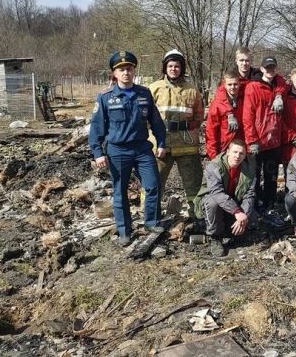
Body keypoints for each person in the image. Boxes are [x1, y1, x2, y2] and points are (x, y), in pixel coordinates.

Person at [89, 51, 167, 246]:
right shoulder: (105, 98)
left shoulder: (144, 93)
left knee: (152, 186)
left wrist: (162, 143)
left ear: (134, 71)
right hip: (118, 151)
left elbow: (156, 122)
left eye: (129, 69)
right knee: (120, 191)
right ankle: (125, 231)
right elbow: (97, 128)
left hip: (142, 149)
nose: (126, 73)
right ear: (114, 73)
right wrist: (98, 153)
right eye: (121, 69)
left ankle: (151, 222)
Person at [149, 49, 205, 221]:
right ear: (165, 68)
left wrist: (190, 127)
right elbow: (145, 116)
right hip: (160, 145)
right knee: (153, 182)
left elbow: (199, 114)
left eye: (177, 66)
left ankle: (197, 217)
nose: (174, 69)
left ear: (182, 68)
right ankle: (151, 217)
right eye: (171, 66)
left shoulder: (192, 90)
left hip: (187, 144)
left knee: (193, 184)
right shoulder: (154, 88)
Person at [193, 139, 256, 257]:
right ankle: (215, 237)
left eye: (241, 153)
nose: (237, 156)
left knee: (252, 214)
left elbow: (249, 194)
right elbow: (217, 193)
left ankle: (233, 231)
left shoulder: (249, 168)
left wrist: (243, 216)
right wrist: (237, 212)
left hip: (233, 203)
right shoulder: (214, 166)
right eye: (235, 152)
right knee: (213, 203)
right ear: (227, 152)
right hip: (211, 202)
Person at [242, 56, 285, 211]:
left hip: (274, 142)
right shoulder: (253, 87)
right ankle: (252, 208)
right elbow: (247, 116)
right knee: (253, 177)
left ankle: (270, 206)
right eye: (267, 68)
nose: (270, 70)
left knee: (271, 178)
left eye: (273, 67)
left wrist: (279, 95)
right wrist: (252, 140)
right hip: (258, 142)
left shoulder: (278, 84)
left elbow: (285, 82)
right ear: (261, 69)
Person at [206, 69, 243, 160]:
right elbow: (211, 131)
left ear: (240, 84)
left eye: (235, 84)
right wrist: (213, 155)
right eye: (229, 84)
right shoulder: (217, 105)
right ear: (224, 85)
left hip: (241, 149)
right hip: (223, 149)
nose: (233, 87)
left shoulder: (244, 100)